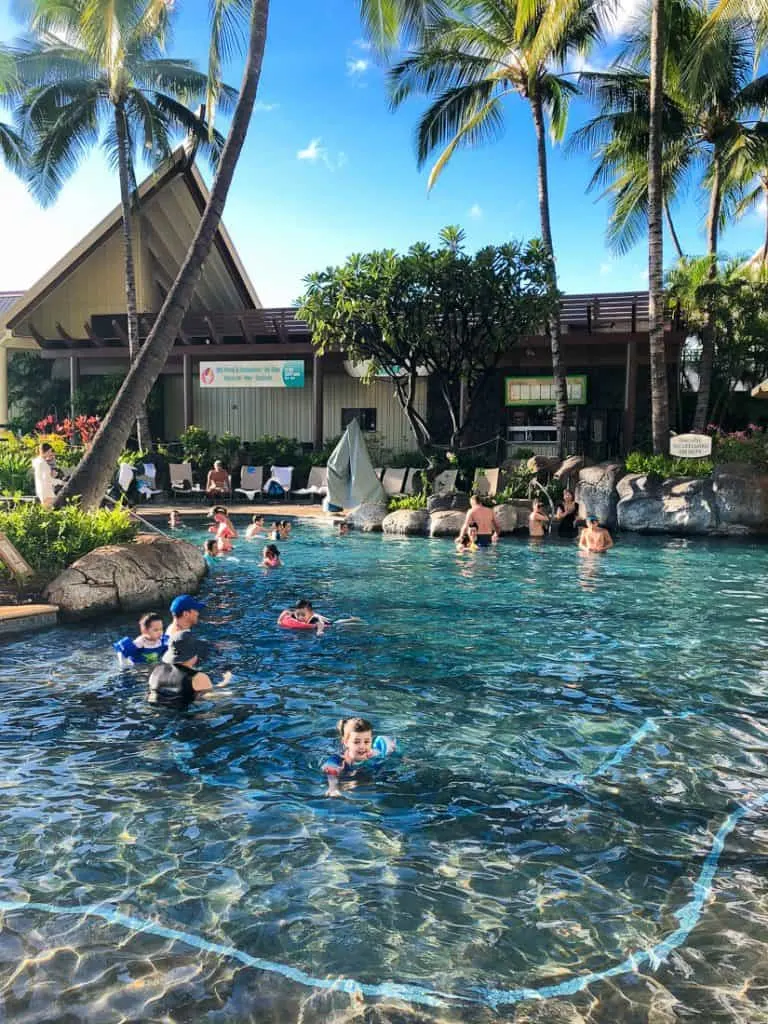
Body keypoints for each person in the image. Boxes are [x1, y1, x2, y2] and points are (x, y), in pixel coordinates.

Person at [148, 634, 231, 709]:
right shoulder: (197, 677)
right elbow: (210, 697)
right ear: (194, 655)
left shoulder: (157, 669)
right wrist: (225, 682)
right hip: (183, 719)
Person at [322, 717, 397, 797]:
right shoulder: (338, 760)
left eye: (366, 742)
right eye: (356, 742)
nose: (362, 746)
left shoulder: (375, 754)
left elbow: (392, 753)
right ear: (346, 742)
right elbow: (331, 773)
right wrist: (333, 788)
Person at [163, 594, 206, 662]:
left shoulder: (174, 629)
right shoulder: (180, 641)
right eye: (196, 610)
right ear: (186, 614)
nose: (198, 613)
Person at [31, 442, 55, 508]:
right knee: (49, 511)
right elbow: (47, 479)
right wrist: (61, 482)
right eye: (50, 451)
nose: (50, 453)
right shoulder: (42, 463)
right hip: (46, 491)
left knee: (46, 510)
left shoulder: (38, 461)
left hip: (42, 490)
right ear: (46, 451)